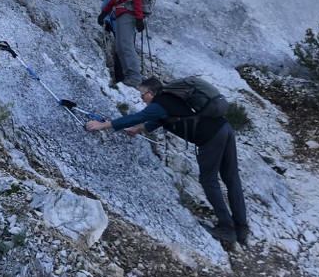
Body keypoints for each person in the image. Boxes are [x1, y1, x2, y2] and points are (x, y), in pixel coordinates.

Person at [85, 75, 249, 246]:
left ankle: (227, 228)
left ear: (152, 93)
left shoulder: (159, 104)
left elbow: (137, 117)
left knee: (209, 181)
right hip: (224, 127)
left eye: (142, 95)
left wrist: (103, 125)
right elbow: (161, 121)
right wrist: (138, 130)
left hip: (211, 137)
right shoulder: (169, 100)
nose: (142, 99)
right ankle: (241, 227)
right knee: (231, 177)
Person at [97, 0, 144, 88]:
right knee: (120, 46)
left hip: (127, 14)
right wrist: (104, 13)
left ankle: (134, 78)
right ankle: (128, 77)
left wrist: (139, 18)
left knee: (126, 46)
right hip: (122, 13)